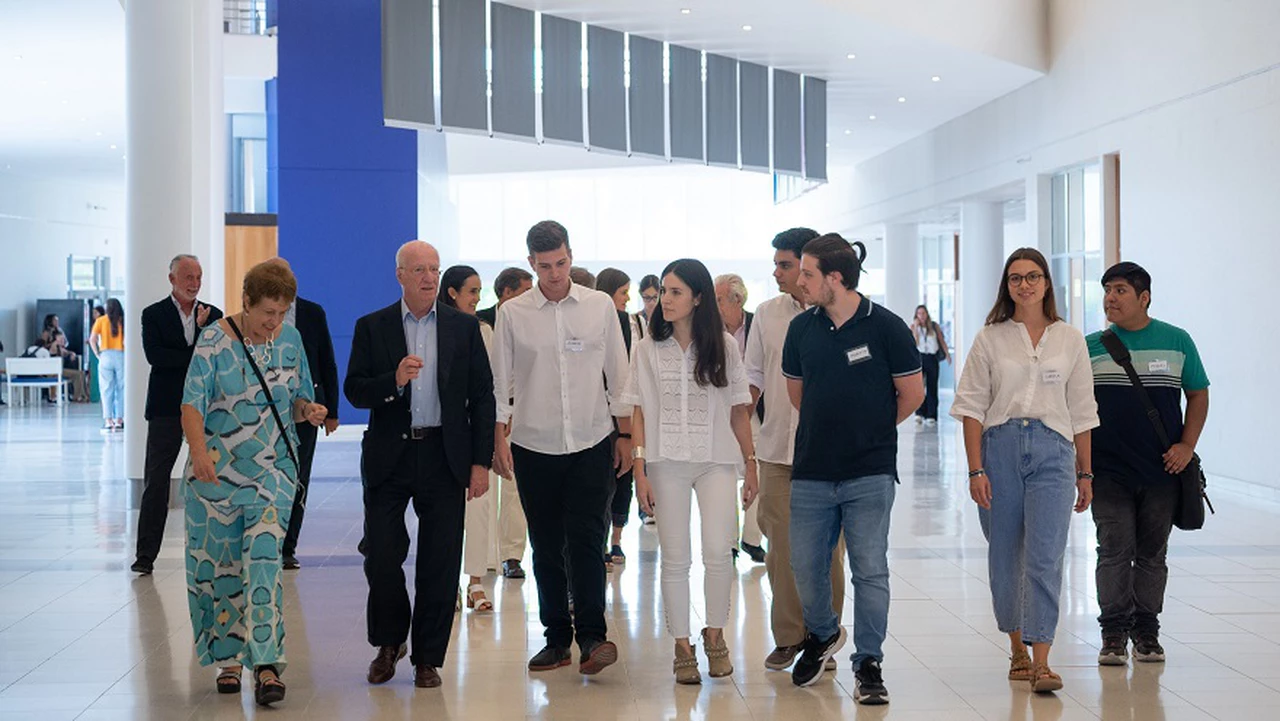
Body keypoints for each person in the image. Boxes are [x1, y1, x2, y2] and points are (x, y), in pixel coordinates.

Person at [346, 240, 495, 689]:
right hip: (390, 455)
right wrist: (392, 380)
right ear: (400, 275)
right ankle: (389, 644)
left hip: (442, 455)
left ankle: (428, 657)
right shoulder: (372, 327)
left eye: (434, 269)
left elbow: (483, 397)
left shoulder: (462, 328)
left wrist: (480, 463)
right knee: (383, 556)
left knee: (440, 560)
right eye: (419, 270)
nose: (429, 277)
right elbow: (355, 390)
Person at [782, 233, 924, 702]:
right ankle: (823, 633)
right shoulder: (802, 330)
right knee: (806, 565)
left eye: (807, 273)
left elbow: (913, 394)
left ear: (835, 279)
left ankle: (869, 663)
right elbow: (798, 395)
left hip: (870, 472)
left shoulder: (886, 327)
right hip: (812, 472)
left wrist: (871, 430)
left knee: (869, 569)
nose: (800, 282)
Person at [951, 247, 1098, 694]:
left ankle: (1042, 660)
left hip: (1055, 451)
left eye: (1033, 277)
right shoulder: (990, 337)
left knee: (1046, 554)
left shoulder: (1070, 338)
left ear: (1047, 283)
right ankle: (1016, 647)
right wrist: (976, 471)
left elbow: (1083, 411)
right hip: (1001, 448)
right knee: (1005, 554)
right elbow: (971, 408)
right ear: (1007, 286)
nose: (1025, 285)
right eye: (1016, 278)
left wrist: (1086, 473)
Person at [181, 260, 328, 707]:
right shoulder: (213, 341)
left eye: (282, 313)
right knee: (221, 569)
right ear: (245, 301)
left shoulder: (291, 340)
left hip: (274, 470)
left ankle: (266, 664)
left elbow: (297, 397)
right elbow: (191, 404)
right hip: (216, 476)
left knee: (264, 562)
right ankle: (229, 659)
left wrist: (309, 410)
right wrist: (200, 452)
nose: (275, 322)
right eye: (267, 312)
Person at [491, 220, 631, 676]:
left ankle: (593, 637)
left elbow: (620, 374)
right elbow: (499, 385)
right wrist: (498, 440)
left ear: (571, 256)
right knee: (546, 545)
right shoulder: (512, 314)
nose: (554, 273)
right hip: (534, 444)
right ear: (531, 263)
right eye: (545, 266)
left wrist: (626, 436)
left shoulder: (598, 307)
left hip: (592, 441)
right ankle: (556, 640)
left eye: (562, 263)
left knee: (588, 541)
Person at [624, 259, 759, 684]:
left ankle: (715, 636)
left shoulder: (724, 345)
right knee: (675, 557)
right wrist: (639, 469)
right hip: (665, 463)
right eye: (663, 291)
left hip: (717, 460)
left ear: (698, 297)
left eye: (675, 292)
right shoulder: (647, 348)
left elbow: (740, 411)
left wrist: (750, 464)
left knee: (720, 551)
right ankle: (682, 646)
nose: (665, 299)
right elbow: (638, 412)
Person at [1087, 262, 1209, 666]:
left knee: (1153, 552)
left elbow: (1198, 394)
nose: (1110, 297)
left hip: (1162, 470)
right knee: (1114, 548)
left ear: (1144, 297)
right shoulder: (1090, 346)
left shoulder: (1177, 341)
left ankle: (1147, 632)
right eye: (1107, 289)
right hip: (1107, 471)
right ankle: (1112, 633)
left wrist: (1187, 446)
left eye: (1120, 290)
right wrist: (1081, 463)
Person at [744, 228, 848, 674]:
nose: (778, 272)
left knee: (828, 552)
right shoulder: (767, 315)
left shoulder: (843, 315)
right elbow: (752, 380)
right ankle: (789, 637)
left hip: (831, 454)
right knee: (781, 549)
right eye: (779, 265)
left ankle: (824, 635)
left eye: (786, 265)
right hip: (777, 452)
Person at [440, 264, 524, 612]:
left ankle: (475, 582)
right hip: (440, 436)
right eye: (472, 291)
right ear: (453, 293)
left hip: (477, 434)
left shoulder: (484, 331)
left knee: (479, 506)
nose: (478, 298)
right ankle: (447, 587)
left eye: (479, 291)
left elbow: (490, 390)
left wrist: (494, 436)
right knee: (445, 514)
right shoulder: (432, 329)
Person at [132, 255, 223, 575]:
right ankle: (145, 555)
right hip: (165, 410)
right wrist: (198, 339)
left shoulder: (214, 315)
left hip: (204, 408)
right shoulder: (153, 314)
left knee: (214, 476)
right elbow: (157, 357)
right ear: (171, 278)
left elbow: (214, 360)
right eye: (187, 276)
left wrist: (200, 335)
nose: (194, 282)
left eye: (198, 276)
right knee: (156, 482)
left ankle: (217, 549)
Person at [264, 258, 341, 571]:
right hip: (268, 409)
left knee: (299, 476)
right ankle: (267, 539)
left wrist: (332, 411)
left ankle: (287, 546)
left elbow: (327, 360)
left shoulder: (312, 312)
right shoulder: (258, 314)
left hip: (308, 409)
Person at [714, 273, 765, 564]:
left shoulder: (758, 323)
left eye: (719, 299)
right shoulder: (708, 330)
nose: (715, 305)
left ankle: (751, 538)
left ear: (738, 300)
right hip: (721, 412)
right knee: (722, 476)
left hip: (755, 411)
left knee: (755, 469)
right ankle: (729, 542)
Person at [595, 267, 637, 564]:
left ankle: (616, 540)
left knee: (624, 478)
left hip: (624, 413)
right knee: (601, 483)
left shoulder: (629, 322)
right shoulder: (595, 318)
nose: (627, 298)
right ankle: (598, 544)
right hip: (597, 415)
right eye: (623, 292)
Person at [634, 273, 661, 524]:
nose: (650, 302)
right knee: (641, 452)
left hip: (662, 397)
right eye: (646, 298)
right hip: (640, 392)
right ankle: (645, 507)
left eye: (654, 297)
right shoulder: (636, 321)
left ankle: (655, 503)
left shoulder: (669, 323)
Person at [910, 305, 951, 426]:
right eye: (919, 314)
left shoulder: (934, 326)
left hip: (932, 358)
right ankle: (919, 413)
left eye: (923, 313)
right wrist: (916, 328)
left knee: (932, 386)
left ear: (927, 314)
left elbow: (941, 341)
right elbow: (914, 343)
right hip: (919, 358)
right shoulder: (914, 327)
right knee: (919, 387)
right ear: (916, 315)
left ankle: (931, 414)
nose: (921, 316)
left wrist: (947, 354)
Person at [89, 299, 126, 431]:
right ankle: (119, 420)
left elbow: (92, 340)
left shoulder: (101, 321)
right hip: (121, 355)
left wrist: (98, 354)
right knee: (121, 389)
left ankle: (108, 420)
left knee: (106, 389)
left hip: (105, 356)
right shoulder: (123, 320)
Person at [41, 314, 87, 402]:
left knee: (80, 373)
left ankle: (82, 395)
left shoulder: (59, 333)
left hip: (60, 367)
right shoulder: (48, 337)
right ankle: (77, 396)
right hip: (53, 370)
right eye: (55, 320)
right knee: (77, 374)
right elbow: (44, 345)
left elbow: (66, 348)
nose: (57, 322)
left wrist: (71, 353)